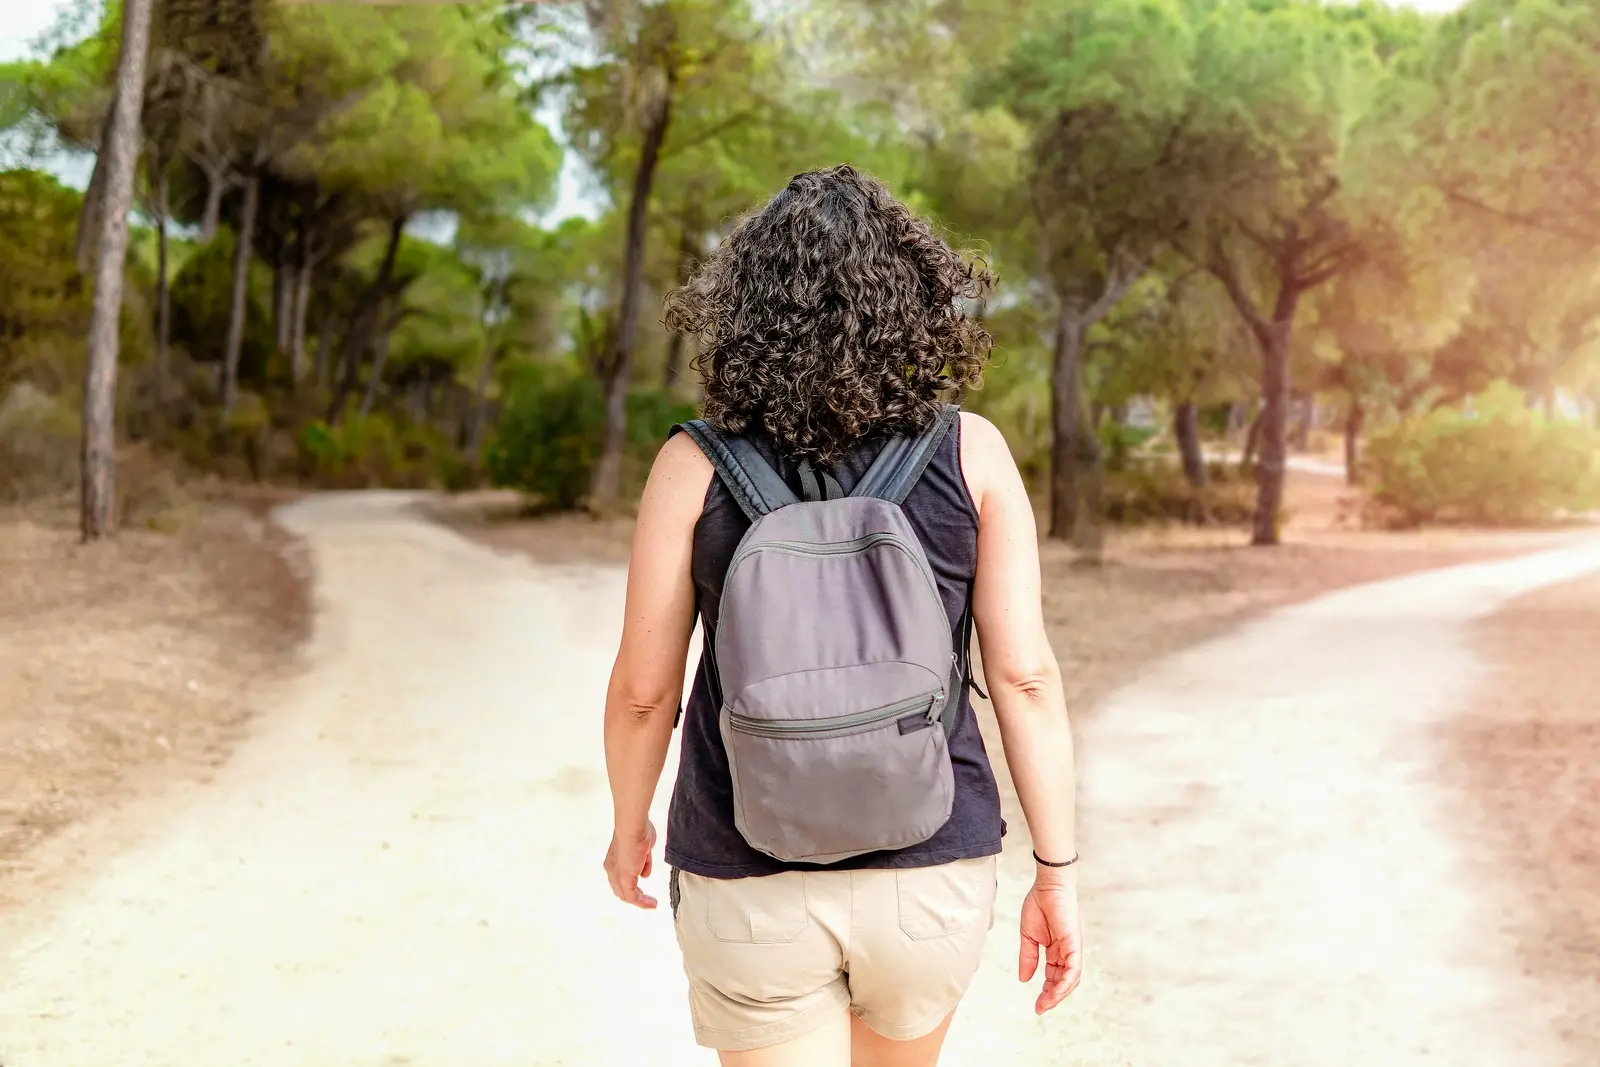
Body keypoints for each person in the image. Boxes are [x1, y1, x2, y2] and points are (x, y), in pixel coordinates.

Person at [601, 164, 1081, 1066]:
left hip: (745, 871)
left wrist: (631, 821)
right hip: (929, 867)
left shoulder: (690, 468)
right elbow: (1024, 676)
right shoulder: (972, 454)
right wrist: (1055, 868)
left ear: (742, 311)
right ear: (913, 300)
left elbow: (641, 692)